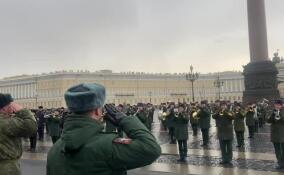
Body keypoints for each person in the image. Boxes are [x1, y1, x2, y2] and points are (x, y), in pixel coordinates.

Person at [47, 83, 161, 175]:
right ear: (97, 111)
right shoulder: (107, 146)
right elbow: (151, 149)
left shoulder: (55, 149)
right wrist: (125, 120)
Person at [0, 93, 37, 175]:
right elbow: (32, 127)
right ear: (4, 108)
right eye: (10, 105)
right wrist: (22, 110)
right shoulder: (5, 122)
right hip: (7, 169)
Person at [212, 101, 234, 165]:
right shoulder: (218, 111)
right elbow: (213, 116)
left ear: (226, 106)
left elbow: (232, 117)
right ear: (220, 106)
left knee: (229, 147)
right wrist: (218, 112)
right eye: (222, 105)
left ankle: (229, 159)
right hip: (221, 131)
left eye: (224, 105)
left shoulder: (229, 111)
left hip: (228, 131)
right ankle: (224, 159)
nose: (223, 106)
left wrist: (226, 112)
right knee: (223, 147)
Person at [267, 99, 284, 170]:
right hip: (275, 134)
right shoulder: (273, 111)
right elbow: (268, 121)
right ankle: (280, 163)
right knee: (277, 150)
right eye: (276, 104)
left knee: (282, 149)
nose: (276, 106)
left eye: (278, 105)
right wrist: (273, 114)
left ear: (282, 105)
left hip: (282, 133)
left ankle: (282, 163)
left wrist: (279, 113)